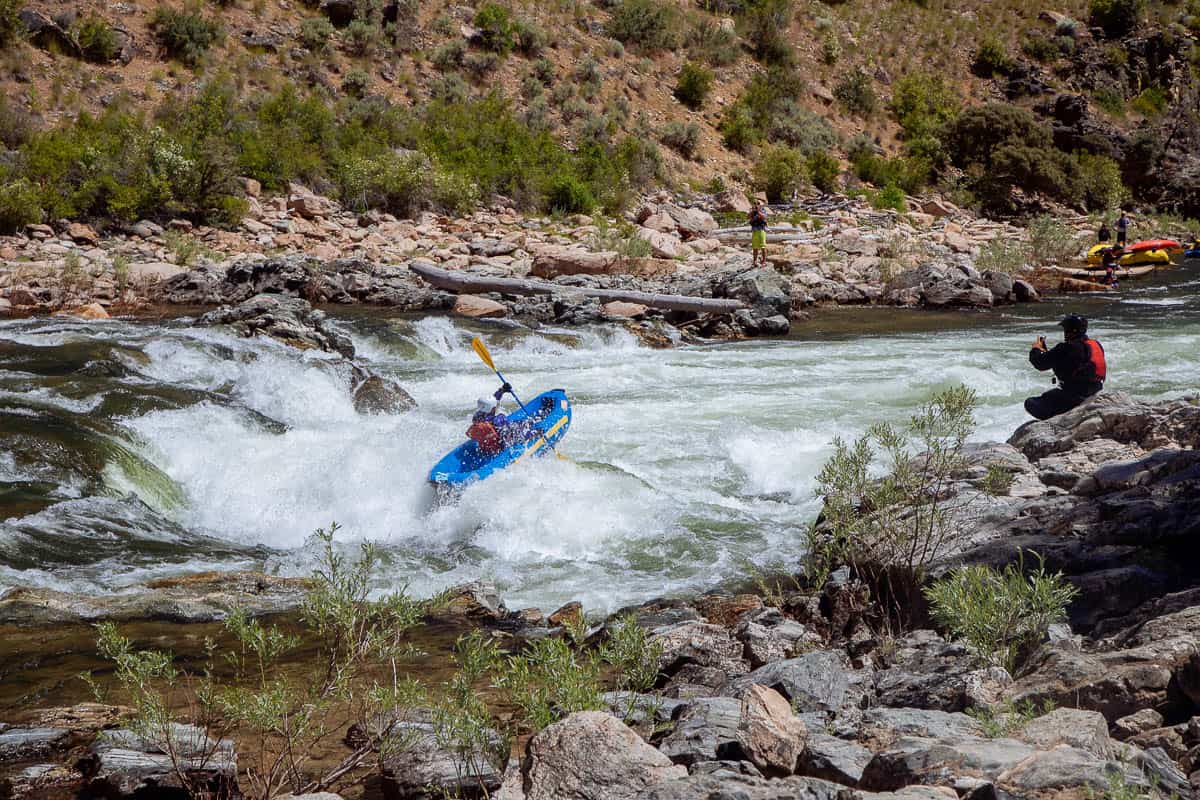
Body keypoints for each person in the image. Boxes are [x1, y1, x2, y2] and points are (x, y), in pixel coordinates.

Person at [1023, 314, 1106, 421]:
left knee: (1030, 403)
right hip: (1094, 394)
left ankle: (1060, 421)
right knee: (1050, 395)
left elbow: (1040, 363)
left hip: (1073, 399)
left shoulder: (1065, 348)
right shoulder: (1095, 344)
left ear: (1069, 331)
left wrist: (1036, 348)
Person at [466, 382, 514, 456]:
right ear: (493, 409)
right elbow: (510, 432)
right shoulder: (498, 420)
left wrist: (502, 390)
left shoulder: (477, 416)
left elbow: (492, 400)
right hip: (498, 449)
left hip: (484, 448)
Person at [749, 200, 768, 267]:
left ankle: (764, 261)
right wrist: (753, 211)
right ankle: (754, 261)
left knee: (763, 246)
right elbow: (748, 217)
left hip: (761, 230)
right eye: (755, 203)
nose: (756, 205)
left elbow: (764, 217)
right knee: (755, 247)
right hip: (754, 230)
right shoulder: (752, 211)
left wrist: (758, 211)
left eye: (758, 204)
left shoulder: (763, 211)